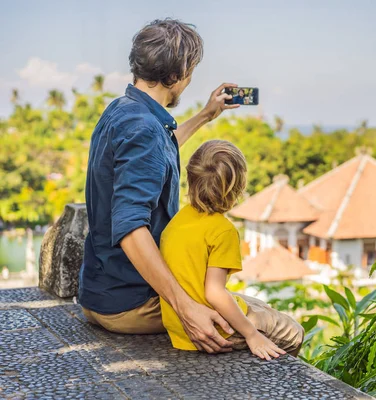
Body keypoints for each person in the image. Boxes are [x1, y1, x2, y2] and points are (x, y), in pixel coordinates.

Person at [78, 19, 241, 354]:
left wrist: (205, 116)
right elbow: (130, 228)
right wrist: (185, 308)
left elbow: (157, 154)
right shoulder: (145, 129)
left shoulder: (124, 111)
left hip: (99, 294)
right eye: (191, 69)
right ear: (177, 74)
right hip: (131, 302)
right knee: (277, 329)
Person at [160, 140, 304, 358]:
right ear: (237, 188)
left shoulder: (179, 219)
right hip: (212, 327)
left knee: (261, 306)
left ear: (190, 179)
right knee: (293, 332)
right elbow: (215, 293)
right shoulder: (223, 230)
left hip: (175, 322)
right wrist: (251, 334)